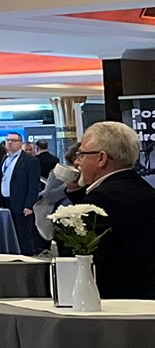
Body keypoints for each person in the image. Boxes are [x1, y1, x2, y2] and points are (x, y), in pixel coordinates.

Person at [54, 121, 155, 298]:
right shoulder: (146, 190)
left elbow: (82, 259)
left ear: (102, 158)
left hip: (113, 303)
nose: (77, 162)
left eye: (82, 155)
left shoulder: (101, 201)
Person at [0, 133, 44, 256]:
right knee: (9, 232)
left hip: (21, 202)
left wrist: (29, 205)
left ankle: (26, 257)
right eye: (8, 140)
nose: (10, 143)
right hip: (6, 201)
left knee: (23, 233)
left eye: (13, 140)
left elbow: (34, 184)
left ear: (20, 143)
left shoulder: (30, 161)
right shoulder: (5, 159)